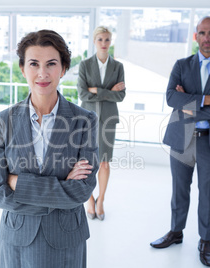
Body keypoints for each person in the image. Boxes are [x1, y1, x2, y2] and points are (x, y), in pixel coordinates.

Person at [0, 29, 99, 268]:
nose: (42, 73)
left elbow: (82, 191)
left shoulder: (85, 121)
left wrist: (18, 182)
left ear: (63, 69)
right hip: (17, 238)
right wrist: (61, 188)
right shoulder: (2, 121)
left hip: (66, 239)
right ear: (22, 68)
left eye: (51, 63)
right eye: (33, 64)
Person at [150, 16, 210, 267]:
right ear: (196, 37)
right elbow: (171, 98)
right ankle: (176, 232)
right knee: (179, 190)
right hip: (181, 137)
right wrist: (207, 100)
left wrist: (189, 104)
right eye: (202, 33)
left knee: (208, 194)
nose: (207, 38)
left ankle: (205, 240)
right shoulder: (181, 65)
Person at [77, 26, 126, 221]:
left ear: (110, 42)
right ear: (94, 41)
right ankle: (89, 200)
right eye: (100, 40)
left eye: (107, 40)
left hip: (108, 119)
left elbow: (121, 95)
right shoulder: (85, 65)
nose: (104, 44)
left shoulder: (118, 67)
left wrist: (96, 90)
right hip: (87, 120)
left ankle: (101, 200)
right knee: (86, 163)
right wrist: (108, 91)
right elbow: (82, 94)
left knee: (104, 163)